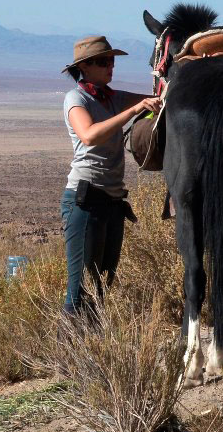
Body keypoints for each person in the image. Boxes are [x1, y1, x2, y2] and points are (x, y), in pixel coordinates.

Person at [61, 36, 161, 317]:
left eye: (112, 61)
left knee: (102, 286)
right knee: (80, 288)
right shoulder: (76, 98)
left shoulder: (111, 97)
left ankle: (91, 348)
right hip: (84, 200)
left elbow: (153, 101)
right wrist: (132, 111)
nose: (111, 66)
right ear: (85, 66)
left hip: (113, 201)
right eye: (104, 62)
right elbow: (89, 135)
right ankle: (68, 351)